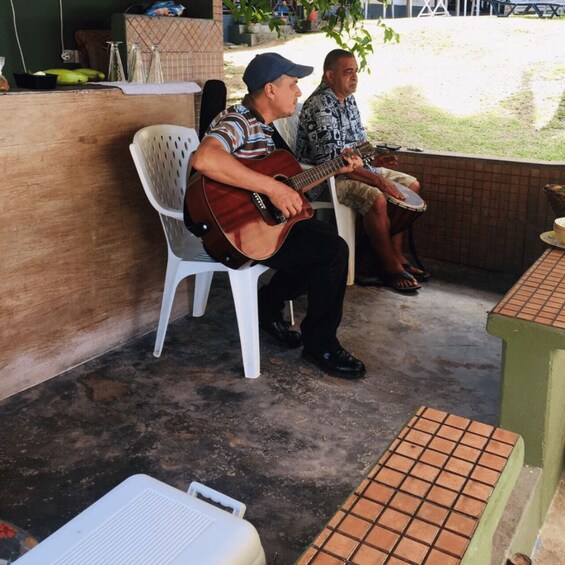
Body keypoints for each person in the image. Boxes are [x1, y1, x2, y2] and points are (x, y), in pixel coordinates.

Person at [189, 52, 366, 380]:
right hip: (238, 227)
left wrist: (336, 166)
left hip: (260, 223)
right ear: (270, 90)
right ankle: (320, 344)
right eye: (293, 84)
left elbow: (287, 180)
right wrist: (271, 189)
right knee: (331, 252)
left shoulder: (265, 129)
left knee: (320, 238)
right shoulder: (239, 120)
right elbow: (205, 159)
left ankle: (267, 306)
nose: (299, 92)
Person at [296, 49, 430, 293]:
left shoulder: (348, 100)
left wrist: (376, 157)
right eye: (348, 72)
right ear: (330, 75)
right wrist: (379, 180)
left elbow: (360, 144)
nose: (355, 77)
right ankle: (388, 267)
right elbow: (334, 163)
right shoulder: (319, 105)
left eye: (356, 71)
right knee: (377, 198)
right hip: (326, 178)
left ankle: (395, 256)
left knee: (411, 186)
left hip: (357, 168)